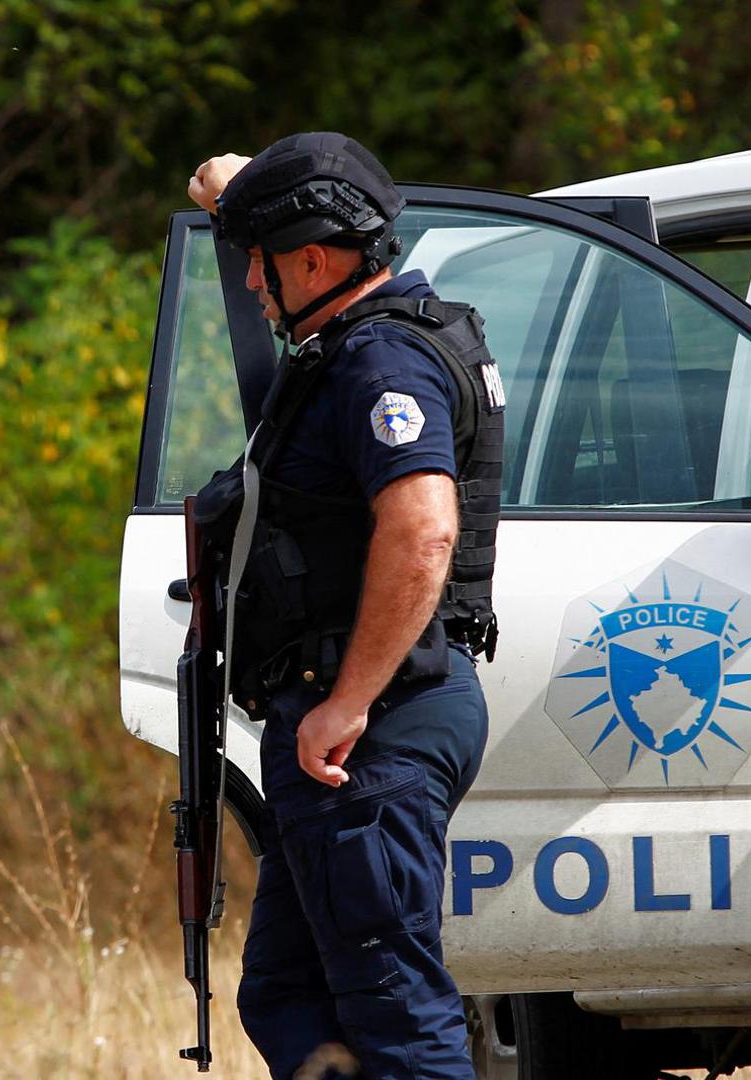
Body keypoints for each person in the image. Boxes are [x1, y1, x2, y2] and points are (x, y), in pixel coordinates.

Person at [188, 133, 503, 1079]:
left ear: (316, 261)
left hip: (373, 727)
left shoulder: (379, 366)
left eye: (261, 262)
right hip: (358, 725)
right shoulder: (377, 329)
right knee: (288, 991)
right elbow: (298, 210)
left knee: (394, 1013)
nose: (251, 283)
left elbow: (423, 531)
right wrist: (238, 200)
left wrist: (350, 700)